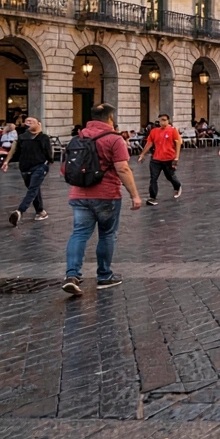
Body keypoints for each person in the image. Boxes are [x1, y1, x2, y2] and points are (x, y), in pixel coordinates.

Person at [61, 103, 142, 296]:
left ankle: (72, 274)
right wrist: (135, 195)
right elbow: (122, 168)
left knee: (79, 234)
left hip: (78, 194)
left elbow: (64, 169)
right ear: (110, 118)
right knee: (106, 235)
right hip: (106, 195)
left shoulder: (77, 138)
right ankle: (104, 276)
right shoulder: (114, 139)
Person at [4, 117, 53, 224]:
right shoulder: (22, 137)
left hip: (40, 166)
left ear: (39, 124)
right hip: (25, 168)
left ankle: (20, 211)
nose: (28, 122)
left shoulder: (43, 137)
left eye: (31, 121)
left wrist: (49, 162)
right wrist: (6, 162)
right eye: (27, 121)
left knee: (32, 189)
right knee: (34, 189)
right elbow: (14, 149)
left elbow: (49, 152)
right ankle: (40, 212)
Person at [137, 114, 183, 206]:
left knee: (170, 176)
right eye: (160, 120)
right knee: (153, 178)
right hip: (156, 159)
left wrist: (177, 157)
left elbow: (178, 143)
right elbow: (149, 143)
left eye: (164, 120)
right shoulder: (154, 131)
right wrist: (142, 154)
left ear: (168, 121)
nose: (162, 122)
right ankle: (152, 197)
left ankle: (177, 186)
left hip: (169, 159)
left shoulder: (173, 131)